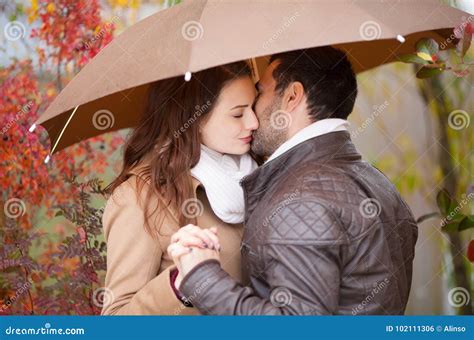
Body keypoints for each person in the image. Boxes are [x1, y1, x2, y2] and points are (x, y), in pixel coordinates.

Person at [168, 46, 419, 315]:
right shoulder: (378, 182)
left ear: (292, 96)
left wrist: (204, 280)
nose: (253, 116)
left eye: (260, 92)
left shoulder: (299, 200)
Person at [101, 61, 259, 315]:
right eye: (238, 114)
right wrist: (180, 284)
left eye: (254, 107)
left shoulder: (258, 174)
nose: (253, 122)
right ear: (193, 119)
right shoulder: (140, 198)